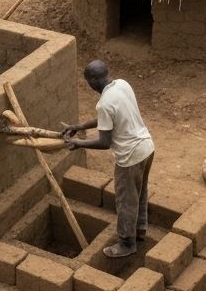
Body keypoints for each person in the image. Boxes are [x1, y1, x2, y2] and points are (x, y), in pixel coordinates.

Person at [63, 60, 155, 258]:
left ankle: (126, 243)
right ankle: (139, 231)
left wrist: (79, 144)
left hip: (130, 157)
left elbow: (104, 142)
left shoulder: (104, 103)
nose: (88, 84)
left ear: (94, 80)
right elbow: (108, 118)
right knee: (139, 194)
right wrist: (80, 127)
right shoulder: (122, 84)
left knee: (125, 201)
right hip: (147, 147)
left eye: (88, 80)